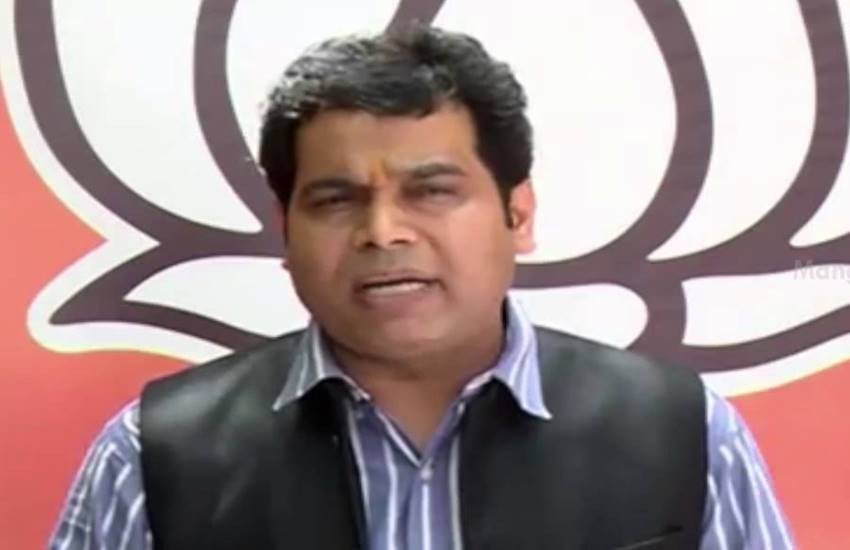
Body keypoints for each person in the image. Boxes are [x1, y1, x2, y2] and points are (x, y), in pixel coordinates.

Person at [50, 26, 794, 550]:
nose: (383, 232)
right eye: (336, 199)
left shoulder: (683, 432)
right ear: (286, 229)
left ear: (518, 214)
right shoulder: (156, 455)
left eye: (431, 191)